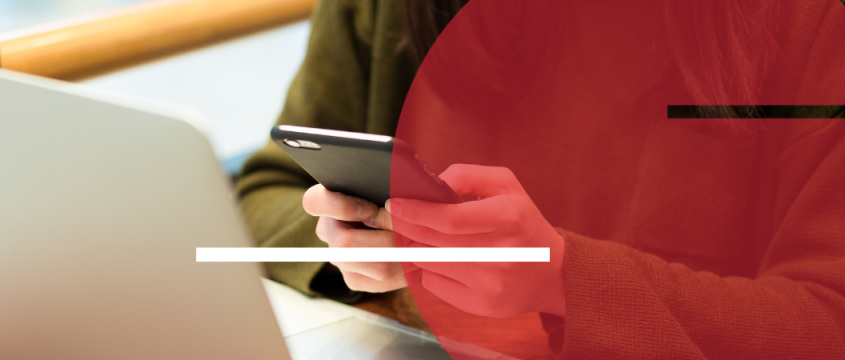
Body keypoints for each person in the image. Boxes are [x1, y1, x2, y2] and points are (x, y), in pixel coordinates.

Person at [235, 0, 845, 358]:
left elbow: (827, 319)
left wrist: (564, 282)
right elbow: (265, 193)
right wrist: (366, 254)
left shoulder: (810, 26)